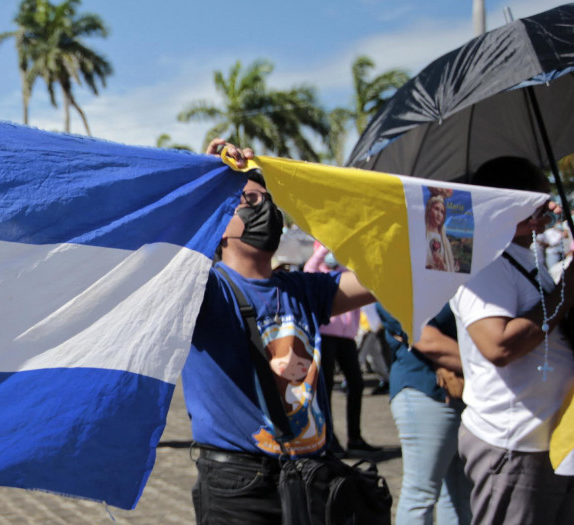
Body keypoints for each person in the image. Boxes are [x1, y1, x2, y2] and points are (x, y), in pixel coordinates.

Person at [184, 139, 376, 524]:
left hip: (312, 477)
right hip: (240, 488)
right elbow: (163, 257)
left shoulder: (303, 289)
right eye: (250, 202)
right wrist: (202, 189)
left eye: (269, 201)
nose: (266, 210)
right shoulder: (204, 291)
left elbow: (381, 278)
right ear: (219, 225)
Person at [450, 156, 574, 524]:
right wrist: (567, 291)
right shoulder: (479, 261)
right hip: (513, 445)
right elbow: (498, 346)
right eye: (539, 200)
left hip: (546, 440)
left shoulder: (524, 256)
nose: (549, 208)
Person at [383, 303, 472, 524]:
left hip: (460, 395)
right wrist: (489, 364)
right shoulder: (398, 280)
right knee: (421, 494)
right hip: (425, 390)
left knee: (457, 492)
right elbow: (428, 340)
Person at [305, 243, 378, 453]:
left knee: (356, 383)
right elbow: (309, 267)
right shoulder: (317, 273)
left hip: (346, 337)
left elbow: (356, 298)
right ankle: (329, 437)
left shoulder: (344, 271)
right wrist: (324, 249)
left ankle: (354, 437)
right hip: (326, 336)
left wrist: (353, 329)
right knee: (325, 388)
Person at [425, 188, 457, 272]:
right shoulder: (421, 234)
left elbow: (450, 269)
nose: (439, 214)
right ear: (429, 210)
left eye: (442, 212)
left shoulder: (444, 241)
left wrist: (442, 266)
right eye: (436, 209)